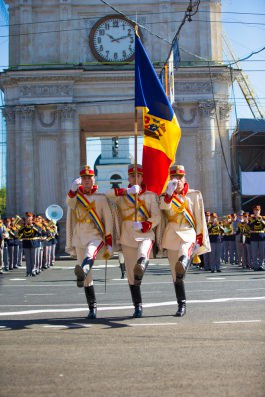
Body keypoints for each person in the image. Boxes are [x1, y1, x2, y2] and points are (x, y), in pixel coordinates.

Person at [106, 164, 161, 318]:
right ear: (128, 178)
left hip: (144, 233)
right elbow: (107, 195)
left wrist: (145, 224)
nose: (135, 178)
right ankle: (137, 305)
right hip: (127, 235)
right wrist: (126, 192)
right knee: (131, 274)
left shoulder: (150, 196)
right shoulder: (121, 195)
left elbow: (156, 216)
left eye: (138, 176)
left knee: (143, 253)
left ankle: (142, 264)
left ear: (142, 178)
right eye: (132, 176)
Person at [160, 165, 210, 317]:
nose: (177, 180)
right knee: (176, 275)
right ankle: (181, 304)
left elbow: (199, 216)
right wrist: (168, 194)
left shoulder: (194, 195)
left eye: (180, 177)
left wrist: (200, 238)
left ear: (184, 178)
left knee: (183, 256)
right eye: (174, 177)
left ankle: (184, 261)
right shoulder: (165, 196)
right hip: (171, 234)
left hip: (188, 232)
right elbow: (164, 209)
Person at [66, 165, 113, 319]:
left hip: (95, 236)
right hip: (80, 237)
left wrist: (109, 242)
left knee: (89, 255)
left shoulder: (101, 197)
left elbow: (108, 220)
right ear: (81, 180)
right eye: (84, 178)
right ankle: (92, 307)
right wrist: (73, 191)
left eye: (89, 177)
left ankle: (83, 270)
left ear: (94, 179)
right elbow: (69, 204)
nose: (87, 180)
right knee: (87, 278)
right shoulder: (76, 197)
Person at [249, 205, 265, 271]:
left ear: (260, 211)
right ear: (253, 211)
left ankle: (261, 265)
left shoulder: (263, 218)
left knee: (262, 252)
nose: (256, 212)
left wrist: (261, 220)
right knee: (254, 252)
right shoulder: (251, 219)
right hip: (254, 237)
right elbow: (250, 226)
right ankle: (255, 265)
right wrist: (255, 219)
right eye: (255, 210)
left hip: (261, 236)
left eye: (257, 210)